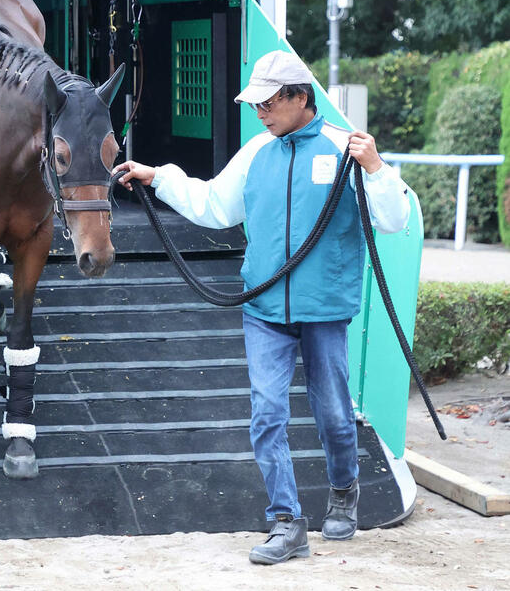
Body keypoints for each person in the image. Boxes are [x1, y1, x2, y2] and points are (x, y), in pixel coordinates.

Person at [113, 50, 411, 565]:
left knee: (336, 416)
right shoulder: (256, 153)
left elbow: (392, 220)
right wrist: (156, 176)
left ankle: (345, 490)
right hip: (265, 309)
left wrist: (378, 169)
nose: (260, 112)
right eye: (256, 104)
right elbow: (213, 204)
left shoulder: (347, 151)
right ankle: (286, 521)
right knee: (267, 413)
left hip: (323, 309)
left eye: (268, 102)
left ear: (300, 98)